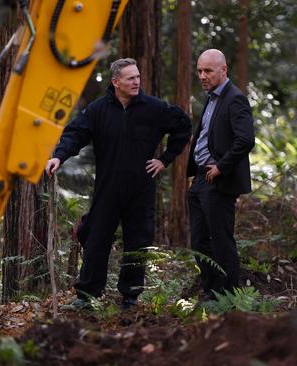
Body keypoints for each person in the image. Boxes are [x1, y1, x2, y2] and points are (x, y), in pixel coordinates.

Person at [46, 58, 191, 310]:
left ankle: (130, 298)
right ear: (116, 82)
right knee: (96, 239)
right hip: (108, 186)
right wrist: (59, 156)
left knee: (138, 241)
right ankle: (86, 296)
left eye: (138, 77)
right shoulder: (98, 109)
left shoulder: (153, 108)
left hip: (141, 187)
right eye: (130, 78)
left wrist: (164, 160)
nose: (137, 82)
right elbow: (75, 133)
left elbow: (183, 126)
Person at [187, 49, 255, 299]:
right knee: (199, 243)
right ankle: (212, 292)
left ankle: (228, 298)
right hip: (201, 179)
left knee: (221, 242)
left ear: (223, 70)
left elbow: (246, 139)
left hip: (218, 180)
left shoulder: (234, 98)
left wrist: (220, 167)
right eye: (199, 71)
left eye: (208, 71)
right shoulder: (212, 97)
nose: (202, 76)